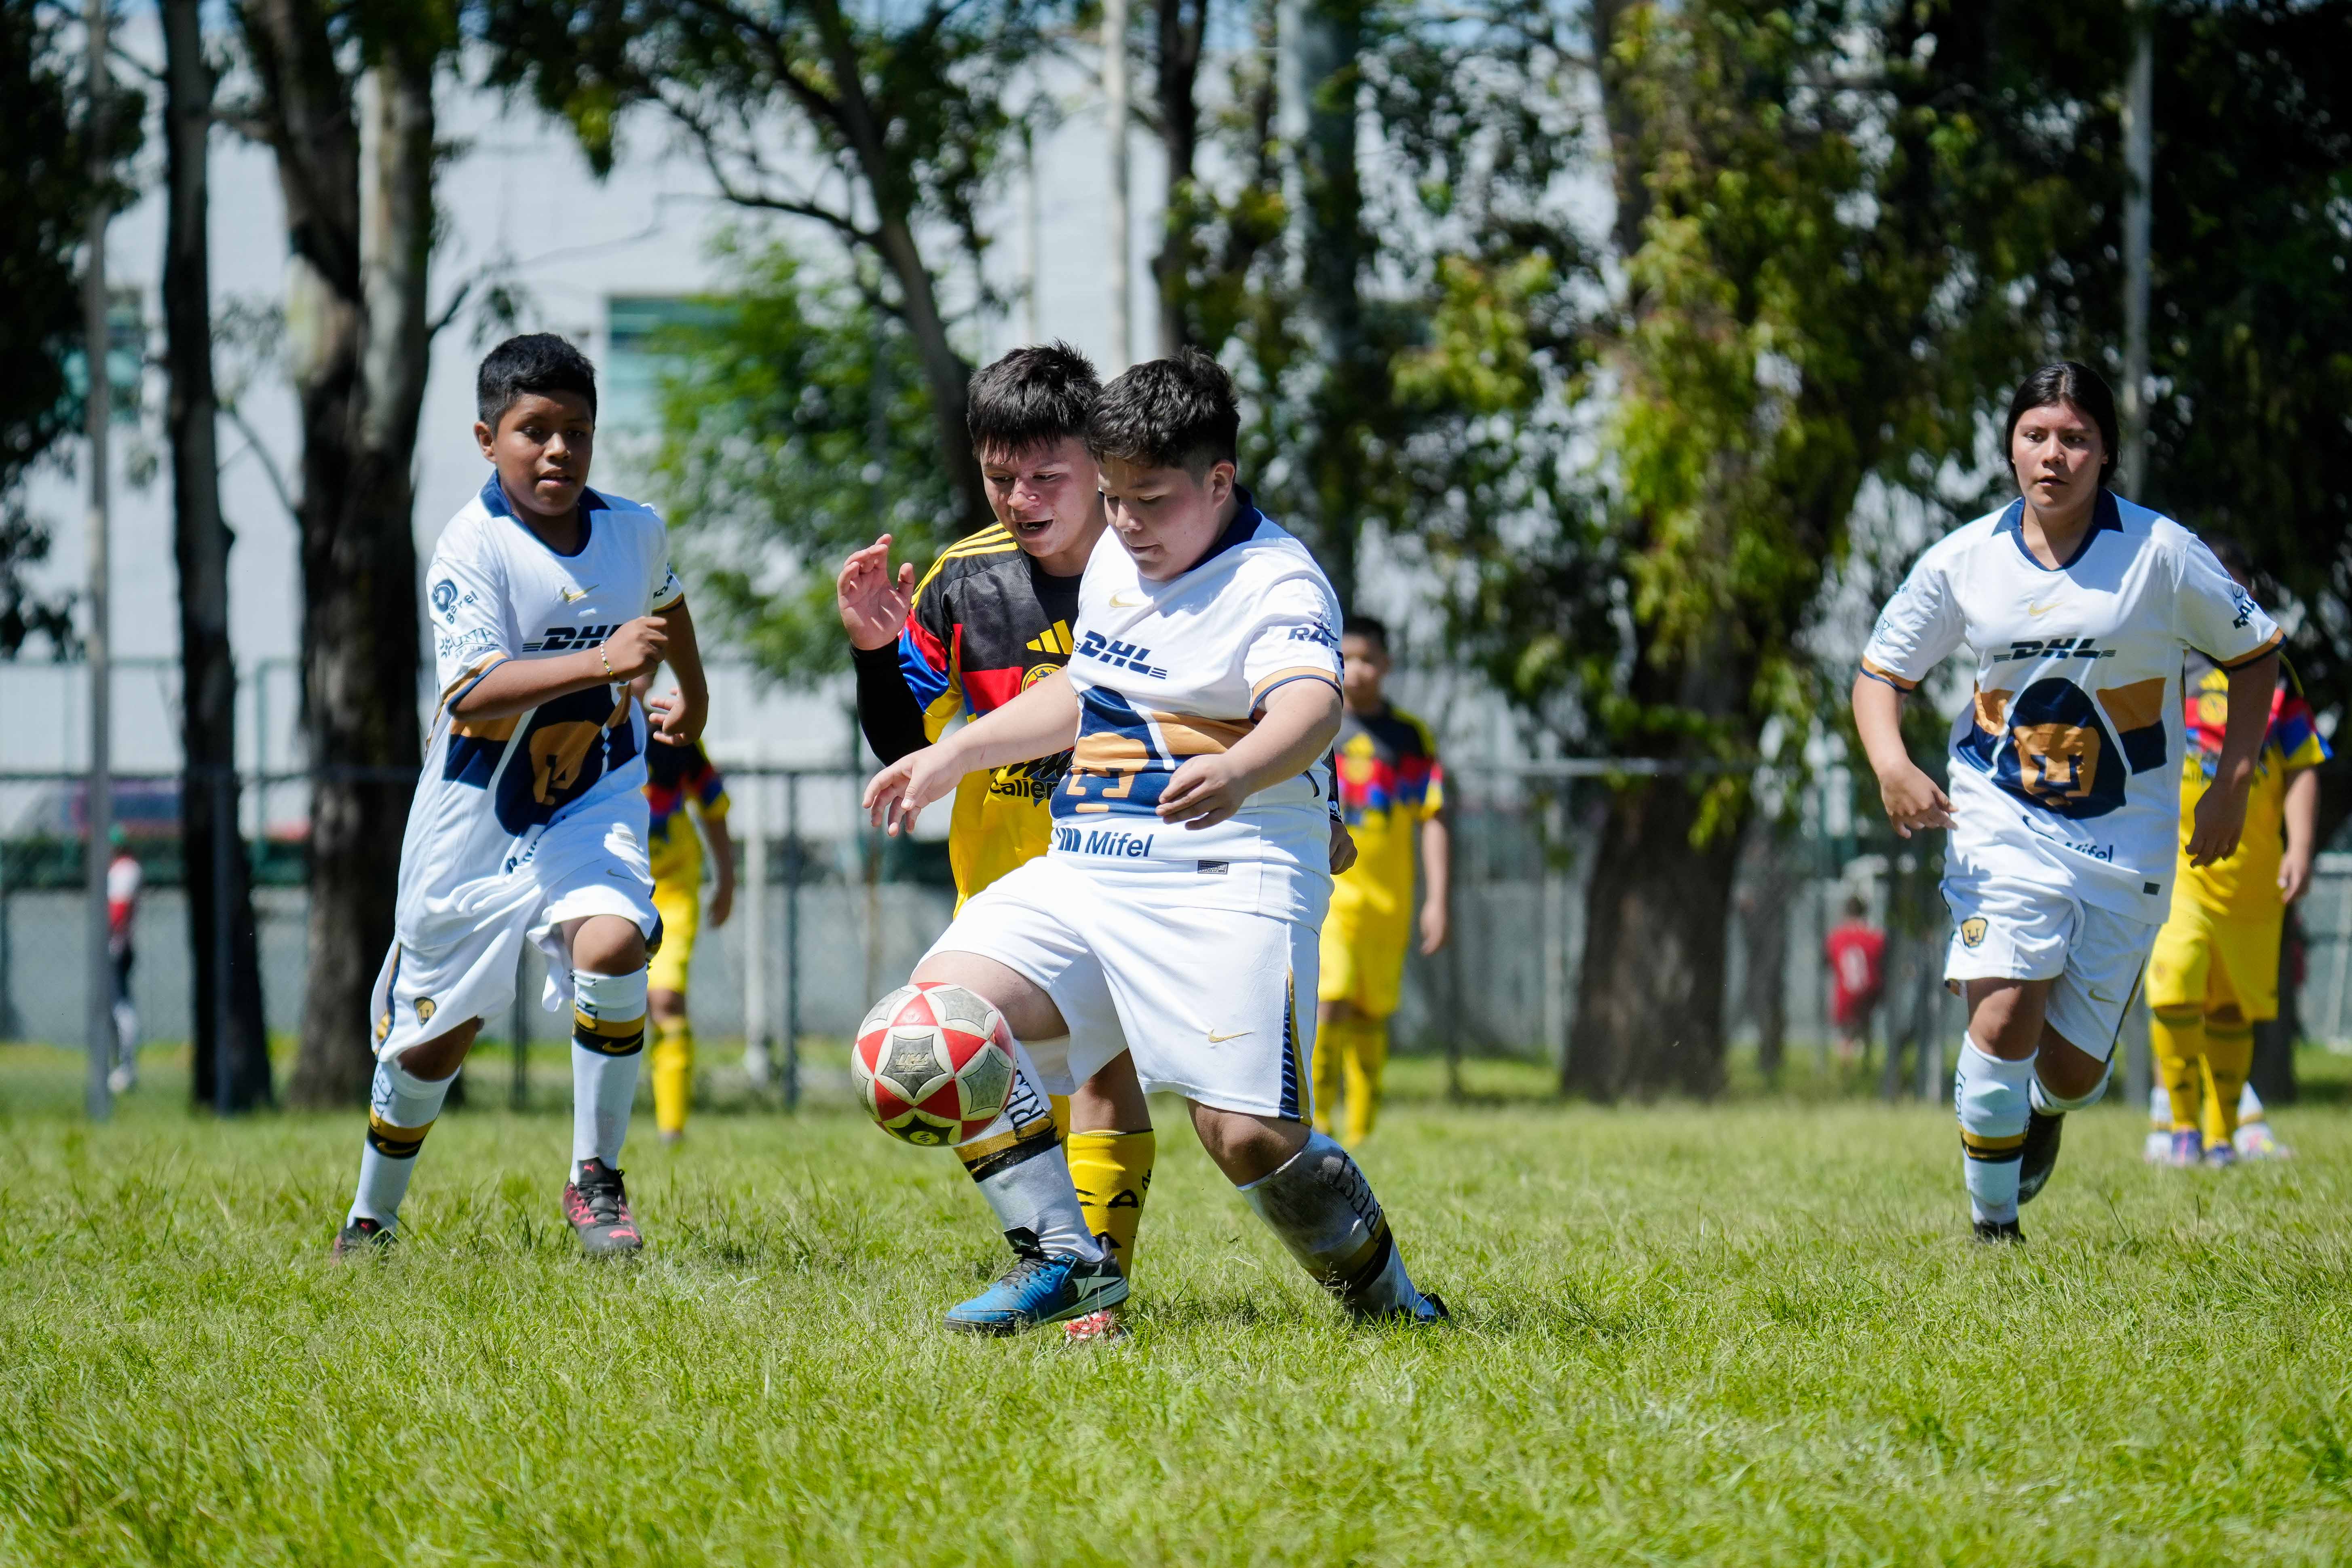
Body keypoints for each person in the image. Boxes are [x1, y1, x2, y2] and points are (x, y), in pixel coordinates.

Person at [866, 349, 1446, 1326]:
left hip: (1228, 873)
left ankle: (1392, 1305)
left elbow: (1311, 703)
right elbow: (1084, 691)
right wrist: (951, 757)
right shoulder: (1115, 560)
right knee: (923, 1031)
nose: (1126, 523)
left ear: (1219, 483)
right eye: (1115, 497)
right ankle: (1066, 1255)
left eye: (1150, 500)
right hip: (1090, 869)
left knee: (1248, 1138)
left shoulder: (1277, 580)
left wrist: (1243, 766)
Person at [1851, 361, 2281, 1242]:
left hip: (2126, 832)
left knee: (2076, 1071)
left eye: (2075, 438)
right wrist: (1889, 761)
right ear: (2009, 447)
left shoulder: (2160, 554)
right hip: (1997, 818)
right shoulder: (1963, 559)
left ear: (2105, 453)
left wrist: (2230, 784)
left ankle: (2041, 1107)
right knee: (2002, 1010)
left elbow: (2256, 654)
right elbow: (1878, 672)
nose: (2053, 455)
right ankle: (1993, 1227)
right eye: (2034, 435)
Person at [331, 333, 707, 1258]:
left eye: (575, 431)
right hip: (477, 816)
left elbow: (666, 600)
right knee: (435, 1042)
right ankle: (371, 1219)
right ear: (486, 437)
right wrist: (600, 659)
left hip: (594, 792)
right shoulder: (472, 545)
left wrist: (692, 694)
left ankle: (597, 1181)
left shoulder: (633, 527)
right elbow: (469, 693)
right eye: (533, 431)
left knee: (616, 944)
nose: (557, 452)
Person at [838, 342, 1159, 1336]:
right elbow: (909, 742)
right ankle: (1067, 1264)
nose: (1021, 498)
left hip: (1132, 877)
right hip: (1008, 876)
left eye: (1045, 475)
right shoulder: (963, 582)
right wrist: (874, 653)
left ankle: (1093, 1295)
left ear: (1099, 461)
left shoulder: (1148, 567)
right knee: (987, 1059)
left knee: (1108, 1075)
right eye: (998, 476)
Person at [2143, 536, 2326, 1166]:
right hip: (2179, 865)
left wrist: (2298, 846)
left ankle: (2220, 1136)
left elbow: (2303, 762)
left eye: (2231, 586)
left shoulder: (2273, 672)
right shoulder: (2164, 662)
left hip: (2250, 876)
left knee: (2229, 1005)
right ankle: (2182, 1126)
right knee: (2173, 982)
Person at [1315, 614, 1449, 1146]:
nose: (1358, 670)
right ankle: (1319, 1123)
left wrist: (1437, 899)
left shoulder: (1409, 736)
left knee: (1371, 1011)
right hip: (1331, 895)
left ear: (1387, 664)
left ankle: (1361, 1130)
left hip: (1389, 902)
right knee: (1331, 997)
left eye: (1369, 658)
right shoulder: (1318, 723)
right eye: (1347, 657)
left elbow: (1432, 816)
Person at [641, 726, 735, 1145]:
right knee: (607, 1002)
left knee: (665, 1000)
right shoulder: (588, 726)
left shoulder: (674, 736)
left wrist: (727, 880)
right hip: (608, 883)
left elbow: (713, 806)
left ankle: (671, 1128)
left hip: (673, 889)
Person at [1824, 894, 1887, 1064]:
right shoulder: (1875, 936)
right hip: (1870, 991)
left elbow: (1829, 961)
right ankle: (1866, 1061)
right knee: (1864, 1025)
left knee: (1846, 1034)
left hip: (1846, 992)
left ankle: (1846, 1067)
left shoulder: (1836, 937)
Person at [105, 825, 141, 1094]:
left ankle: (126, 1068)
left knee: (120, 1006)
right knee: (113, 1007)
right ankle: (118, 1066)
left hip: (116, 946)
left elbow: (118, 911)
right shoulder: (120, 869)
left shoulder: (124, 869)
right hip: (115, 944)